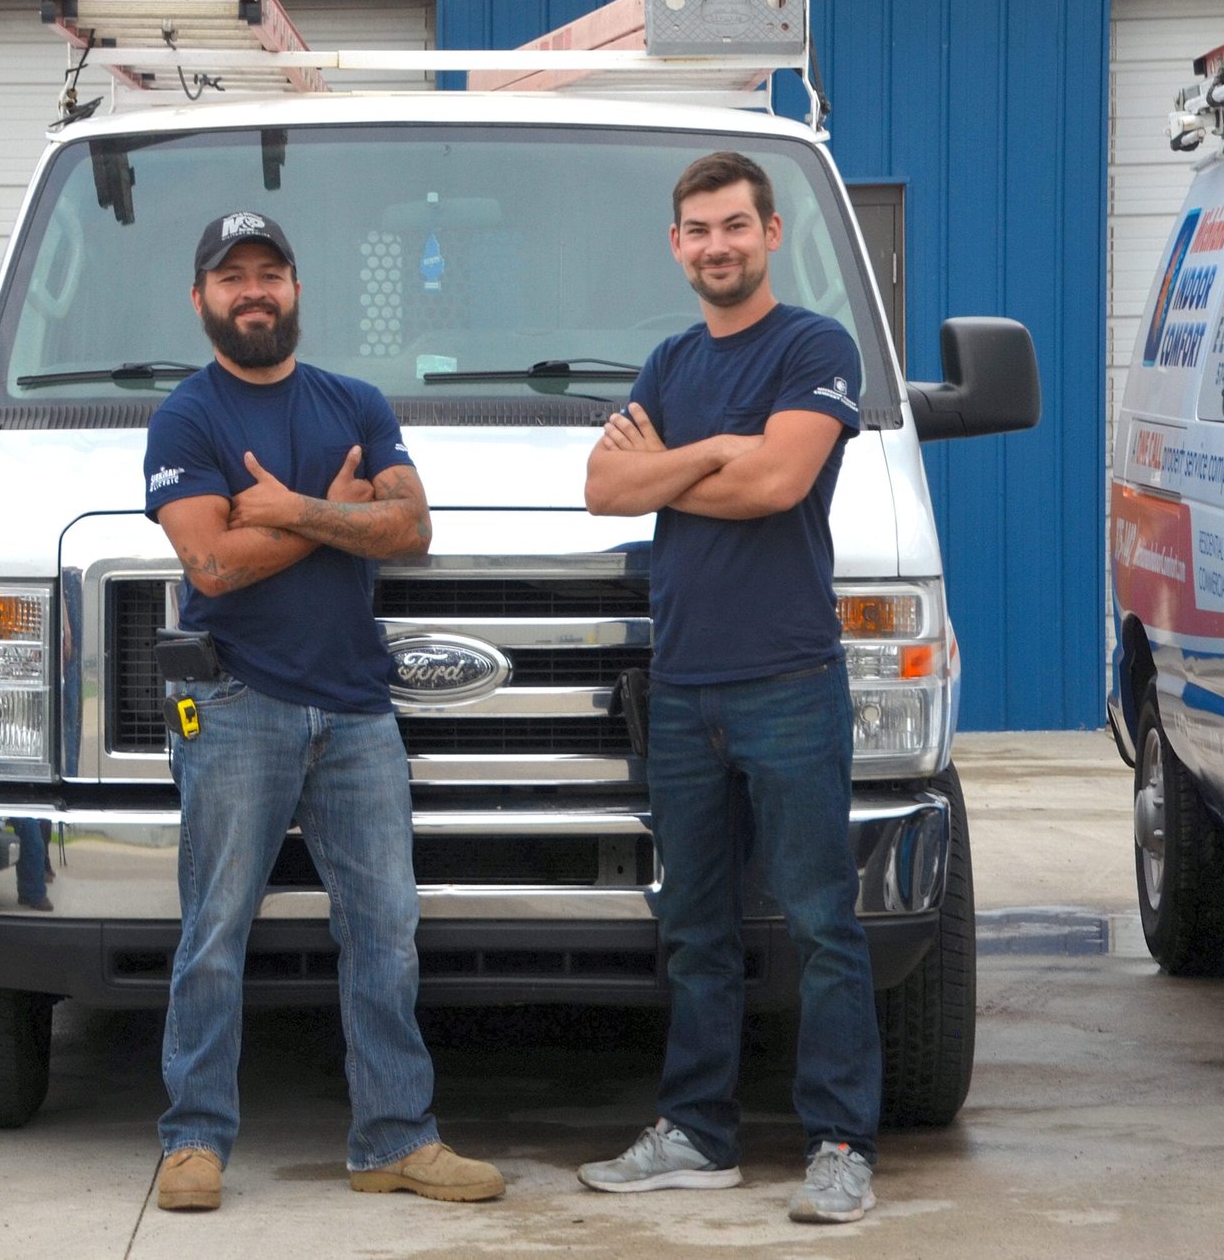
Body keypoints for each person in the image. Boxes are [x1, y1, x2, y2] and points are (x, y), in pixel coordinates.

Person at [142, 211, 505, 1212]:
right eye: (232, 277)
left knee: (386, 932)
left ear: (296, 289)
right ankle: (193, 1139)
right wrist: (342, 516)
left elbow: (412, 527)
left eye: (270, 272)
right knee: (214, 930)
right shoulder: (185, 418)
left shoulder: (355, 402)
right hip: (234, 703)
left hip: (357, 712)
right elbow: (211, 562)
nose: (253, 291)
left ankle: (395, 1137)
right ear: (201, 298)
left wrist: (290, 509)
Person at [577, 153, 881, 1224]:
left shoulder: (815, 346)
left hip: (787, 682)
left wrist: (675, 466)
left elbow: (778, 481)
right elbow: (602, 486)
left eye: (735, 226)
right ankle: (696, 1134)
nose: (717, 246)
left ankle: (839, 1144)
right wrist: (714, 449)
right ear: (676, 245)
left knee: (821, 920)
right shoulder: (669, 362)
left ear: (770, 233)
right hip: (682, 687)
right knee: (694, 926)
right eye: (698, 230)